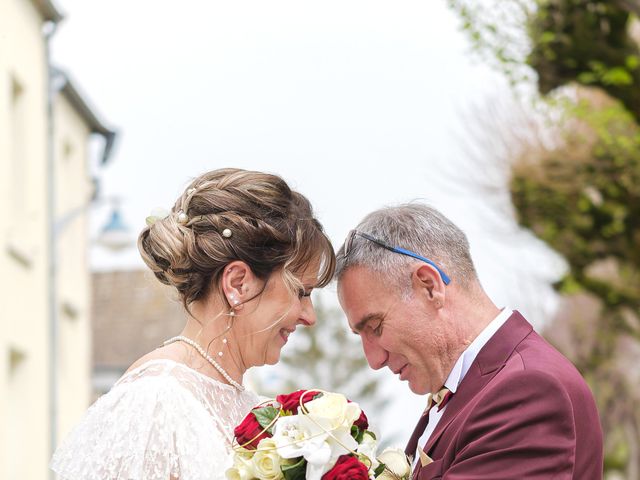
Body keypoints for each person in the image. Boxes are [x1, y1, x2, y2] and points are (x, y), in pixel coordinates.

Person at [51, 168, 335, 480]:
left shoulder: (250, 404)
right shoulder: (155, 400)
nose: (310, 316)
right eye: (301, 292)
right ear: (238, 284)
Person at [335, 203, 603, 479]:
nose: (374, 360)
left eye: (376, 327)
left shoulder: (527, 390)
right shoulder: (468, 390)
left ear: (429, 286)